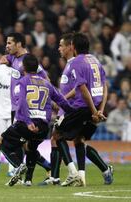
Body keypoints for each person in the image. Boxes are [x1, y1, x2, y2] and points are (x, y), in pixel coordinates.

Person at [40, 33, 114, 186]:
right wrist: (100, 110)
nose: (59, 48)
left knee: (57, 135)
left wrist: (94, 111)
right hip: (91, 107)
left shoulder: (75, 63)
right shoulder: (94, 60)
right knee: (79, 139)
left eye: (62, 45)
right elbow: (103, 87)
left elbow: (82, 89)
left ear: (72, 46)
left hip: (80, 107)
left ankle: (69, 174)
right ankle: (91, 174)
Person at [0, 54, 74, 186]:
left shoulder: (23, 81)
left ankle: (18, 166)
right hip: (43, 127)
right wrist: (74, 113)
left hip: (26, 124)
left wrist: (28, 122)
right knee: (31, 149)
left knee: (2, 141)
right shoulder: (47, 84)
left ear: (24, 67)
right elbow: (62, 100)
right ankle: (28, 180)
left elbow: (21, 104)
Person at [0, 32, 51, 178]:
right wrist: (6, 58)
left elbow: (45, 78)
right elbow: (6, 58)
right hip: (15, 106)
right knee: (26, 145)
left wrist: (47, 99)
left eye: (9, 43)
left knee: (20, 143)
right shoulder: (14, 58)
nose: (6, 46)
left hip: (25, 109)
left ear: (19, 44)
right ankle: (46, 168)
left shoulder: (28, 61)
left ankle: (21, 170)